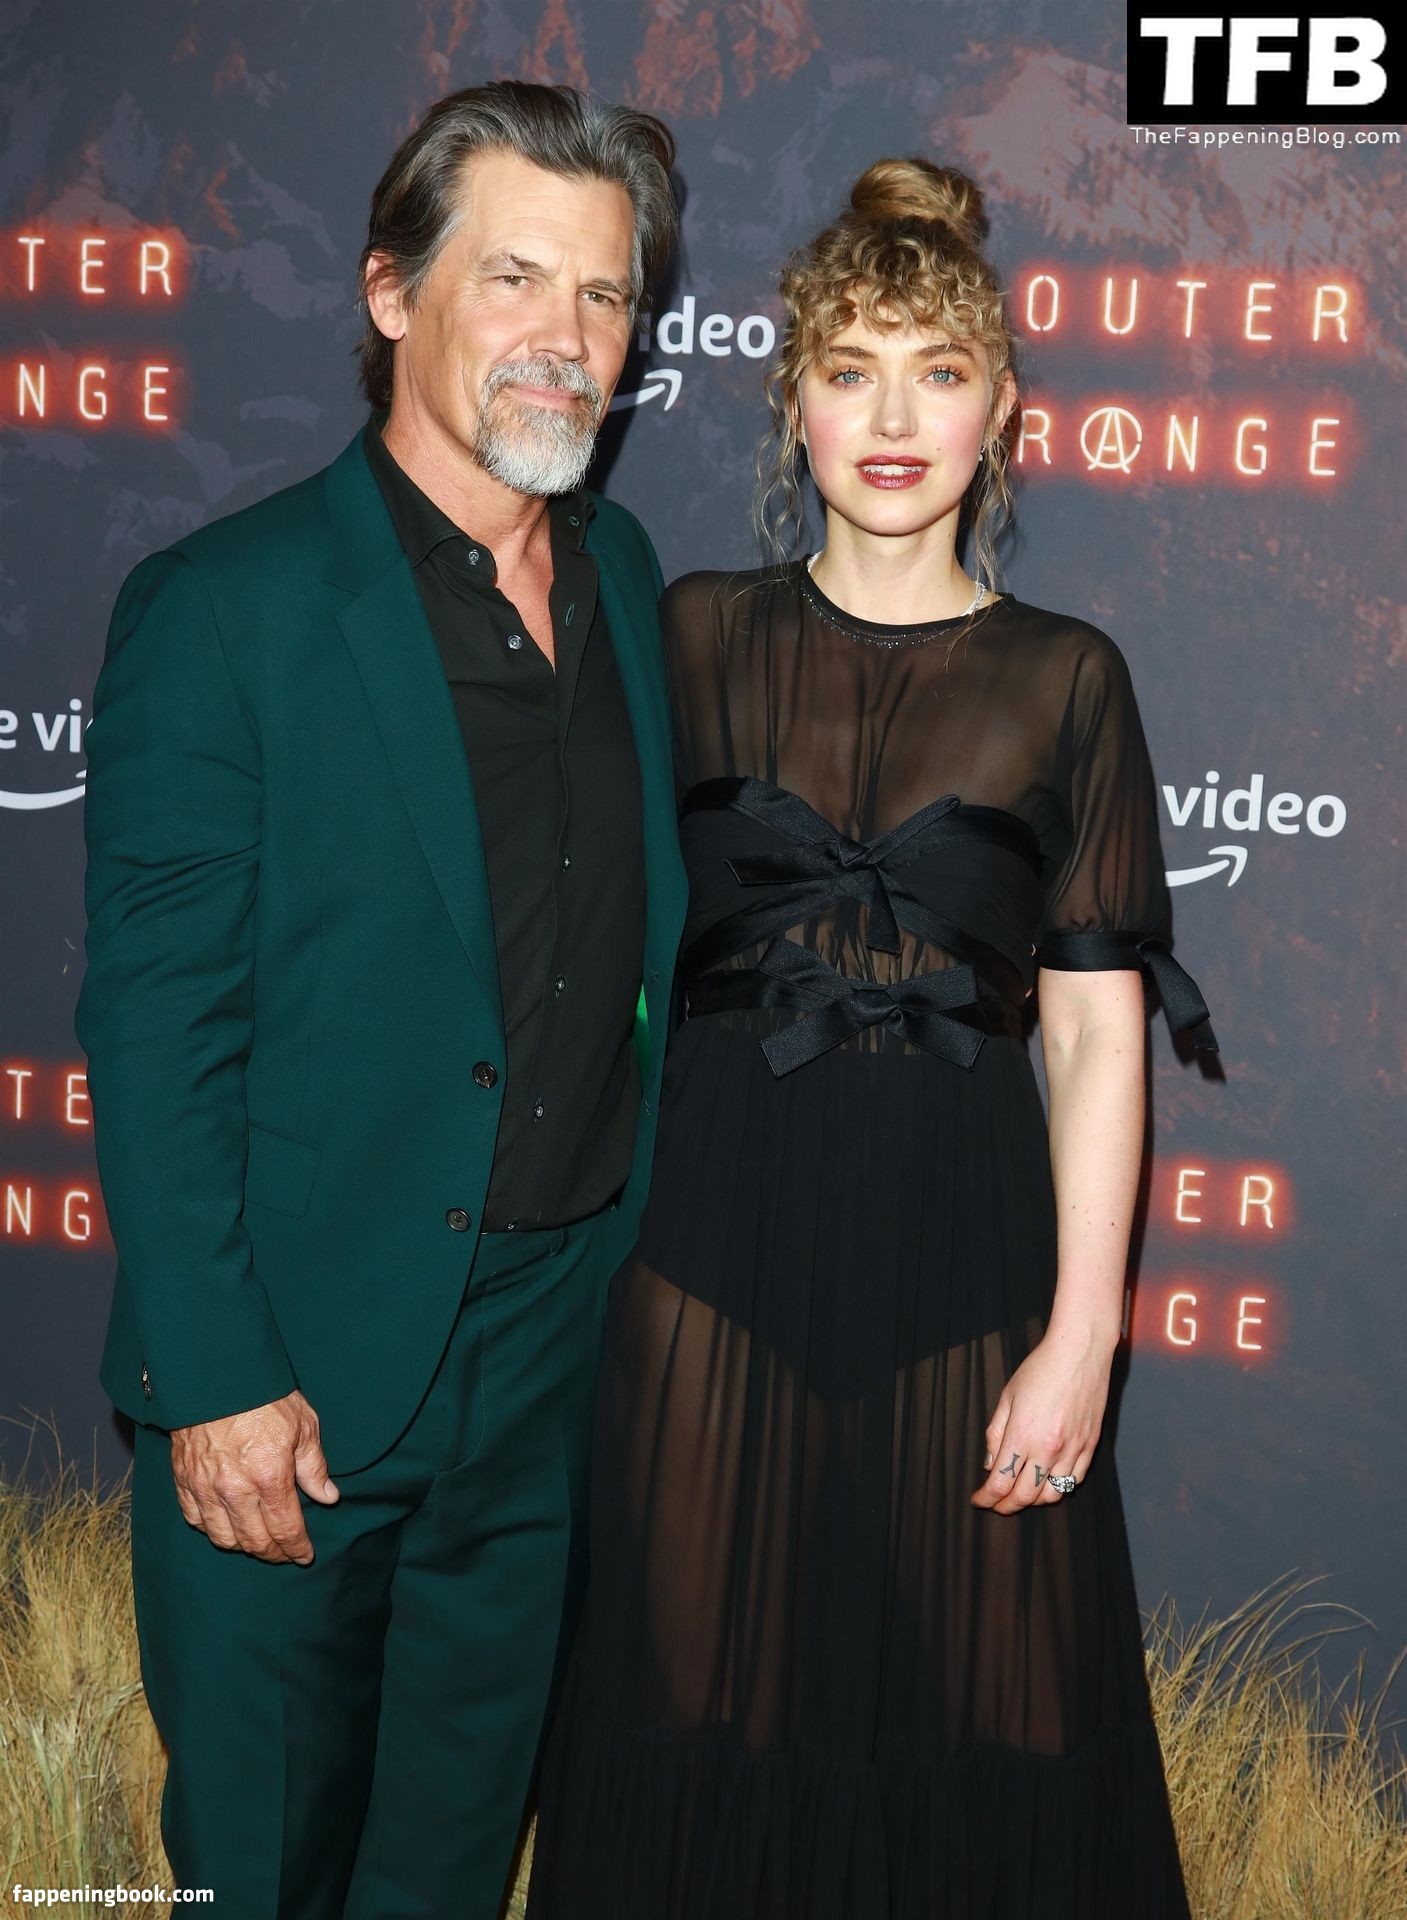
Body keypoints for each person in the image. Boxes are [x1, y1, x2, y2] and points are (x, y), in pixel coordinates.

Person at [524, 157, 1217, 1918]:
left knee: (1002, 1729)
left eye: (937, 371)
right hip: (705, 1263)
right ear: (794, 404)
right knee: (689, 1716)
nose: (894, 420)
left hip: (966, 1264)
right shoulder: (690, 632)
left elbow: (1096, 1038)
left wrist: (1085, 1334)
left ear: (1003, 406)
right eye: (851, 371)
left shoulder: (1071, 677)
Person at [73, 80, 684, 1919]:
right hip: (297, 1382)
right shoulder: (228, 609)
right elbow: (158, 1033)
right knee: (263, 1870)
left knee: (447, 1863)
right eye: (515, 278)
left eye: (604, 294)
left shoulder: (627, 578)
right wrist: (218, 1379)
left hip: (548, 1366)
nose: (567, 336)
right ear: (391, 293)